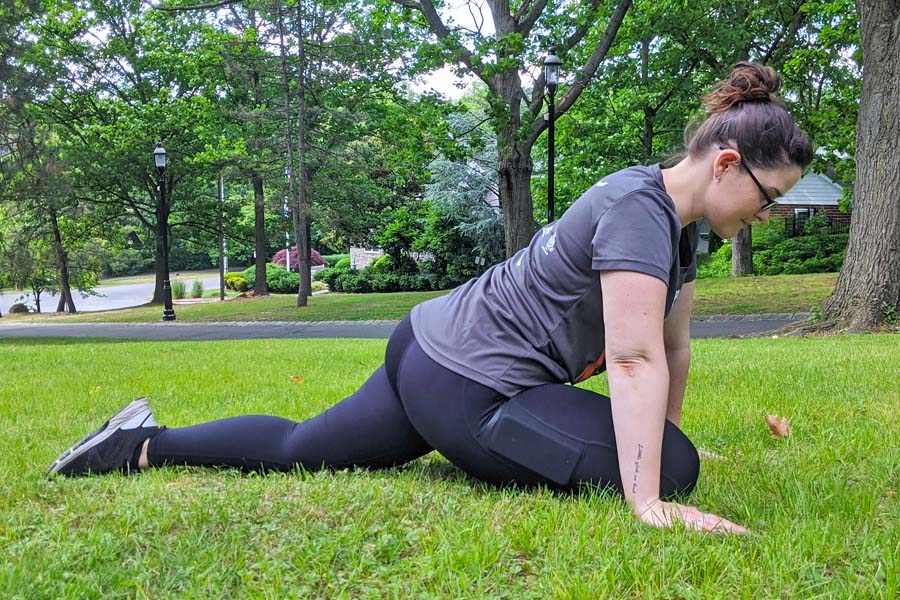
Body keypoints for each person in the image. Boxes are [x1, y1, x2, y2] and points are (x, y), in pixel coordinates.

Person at [47, 62, 812, 534]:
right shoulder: (641, 214)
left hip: (429, 348)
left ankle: (139, 443)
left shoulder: (680, 230)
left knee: (300, 451)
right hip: (468, 385)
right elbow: (635, 359)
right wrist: (647, 493)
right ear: (726, 163)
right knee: (672, 472)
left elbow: (673, 349)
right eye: (768, 195)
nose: (768, 212)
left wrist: (655, 439)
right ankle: (650, 478)